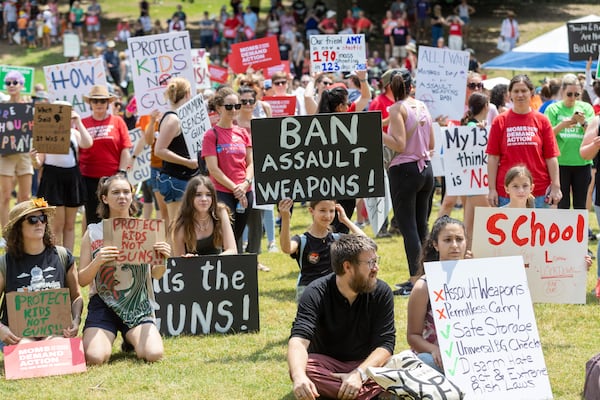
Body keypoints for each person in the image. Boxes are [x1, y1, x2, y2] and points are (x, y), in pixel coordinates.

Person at [287, 234, 395, 400]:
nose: (376, 268)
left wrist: (358, 374)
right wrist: (299, 377)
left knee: (399, 363)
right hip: (327, 367)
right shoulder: (315, 292)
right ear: (347, 267)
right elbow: (299, 341)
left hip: (366, 365)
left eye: (376, 261)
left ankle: (348, 391)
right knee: (304, 368)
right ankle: (372, 394)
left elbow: (385, 344)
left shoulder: (382, 292)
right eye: (370, 263)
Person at [78, 173, 171, 365]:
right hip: (103, 304)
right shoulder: (93, 231)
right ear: (104, 198)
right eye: (116, 192)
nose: (122, 196)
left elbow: (156, 274)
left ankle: (130, 338)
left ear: (132, 195)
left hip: (137, 304)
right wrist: (98, 261)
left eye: (126, 192)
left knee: (153, 354)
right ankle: (115, 334)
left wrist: (162, 260)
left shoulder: (146, 229)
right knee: (94, 358)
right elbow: (82, 280)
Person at [0, 198, 82, 350]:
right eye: (32, 219)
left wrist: (76, 320)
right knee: (26, 348)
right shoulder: (5, 263)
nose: (39, 223)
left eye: (42, 218)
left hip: (55, 331)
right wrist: (1, 329)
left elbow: (76, 296)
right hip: (17, 335)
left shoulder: (63, 256)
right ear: (18, 227)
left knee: (56, 348)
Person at [384, 68, 434, 296]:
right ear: (411, 86)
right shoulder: (422, 106)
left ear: (390, 89)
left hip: (404, 171)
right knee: (422, 226)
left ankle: (416, 281)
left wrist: (375, 130)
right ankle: (427, 275)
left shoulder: (396, 108)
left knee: (409, 228)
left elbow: (399, 144)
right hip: (426, 169)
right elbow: (431, 140)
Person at [486, 74, 562, 208]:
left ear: (531, 92)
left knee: (538, 229)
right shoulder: (500, 121)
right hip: (507, 192)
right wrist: (491, 189)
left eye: (524, 91)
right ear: (510, 94)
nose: (520, 95)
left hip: (539, 191)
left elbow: (551, 157)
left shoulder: (542, 120)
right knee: (509, 229)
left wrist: (556, 186)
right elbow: (493, 157)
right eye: (516, 91)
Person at [406, 215, 468, 373]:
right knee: (426, 362)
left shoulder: (478, 280)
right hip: (438, 358)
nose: (455, 245)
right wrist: (434, 350)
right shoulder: (424, 287)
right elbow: (413, 336)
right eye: (447, 240)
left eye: (459, 239)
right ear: (435, 244)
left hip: (472, 355)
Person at [32, 101, 93, 251]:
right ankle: (56, 258)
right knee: (57, 224)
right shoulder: (46, 133)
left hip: (71, 177)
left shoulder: (74, 133)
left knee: (70, 224)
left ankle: (68, 258)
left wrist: (78, 121)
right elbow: (39, 163)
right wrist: (33, 158)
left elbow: (87, 143)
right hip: (52, 178)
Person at [279, 198, 366, 301]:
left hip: (332, 291)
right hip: (309, 291)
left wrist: (345, 220)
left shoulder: (336, 238)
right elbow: (286, 248)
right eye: (322, 210)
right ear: (311, 211)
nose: (327, 216)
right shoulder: (302, 240)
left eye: (331, 211)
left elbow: (364, 242)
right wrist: (285, 219)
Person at [202, 86, 253, 253]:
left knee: (237, 234)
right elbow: (213, 169)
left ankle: (236, 271)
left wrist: (245, 184)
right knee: (225, 235)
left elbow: (251, 163)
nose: (234, 110)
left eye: (237, 106)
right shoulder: (211, 135)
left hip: (245, 191)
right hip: (222, 192)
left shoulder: (243, 133)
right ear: (218, 108)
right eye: (229, 106)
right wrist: (235, 188)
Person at [80, 85, 132, 226]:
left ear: (108, 103)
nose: (99, 104)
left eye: (103, 101)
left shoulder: (118, 121)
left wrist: (121, 173)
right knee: (92, 215)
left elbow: (125, 148)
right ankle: (94, 247)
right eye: (95, 101)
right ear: (90, 103)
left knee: (116, 214)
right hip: (88, 178)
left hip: (113, 177)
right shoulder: (82, 123)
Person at [544, 73, 594, 210]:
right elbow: (546, 135)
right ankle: (562, 231)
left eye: (577, 94)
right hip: (560, 163)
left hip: (582, 162)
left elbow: (592, 134)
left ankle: (581, 231)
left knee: (580, 203)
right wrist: (562, 125)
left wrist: (583, 122)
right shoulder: (553, 109)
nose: (573, 98)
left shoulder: (587, 108)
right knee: (562, 203)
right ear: (562, 91)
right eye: (569, 94)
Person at [154, 77, 198, 222]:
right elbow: (159, 150)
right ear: (187, 94)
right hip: (176, 179)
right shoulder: (173, 119)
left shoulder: (178, 117)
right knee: (178, 226)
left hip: (184, 178)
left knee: (186, 226)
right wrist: (187, 162)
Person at [0, 71, 34, 234]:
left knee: (25, 197)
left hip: (24, 154)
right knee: (5, 196)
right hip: (5, 155)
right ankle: (6, 233)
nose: (12, 85)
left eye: (15, 82)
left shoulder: (28, 106)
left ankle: (20, 231)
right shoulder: (2, 106)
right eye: (8, 83)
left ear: (21, 85)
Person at [171, 175, 236, 256]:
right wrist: (187, 261)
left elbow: (232, 250)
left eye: (208, 194)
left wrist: (212, 260)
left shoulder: (220, 212)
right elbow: (178, 262)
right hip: (191, 267)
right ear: (190, 198)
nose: (204, 199)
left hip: (218, 265)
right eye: (198, 195)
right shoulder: (181, 225)